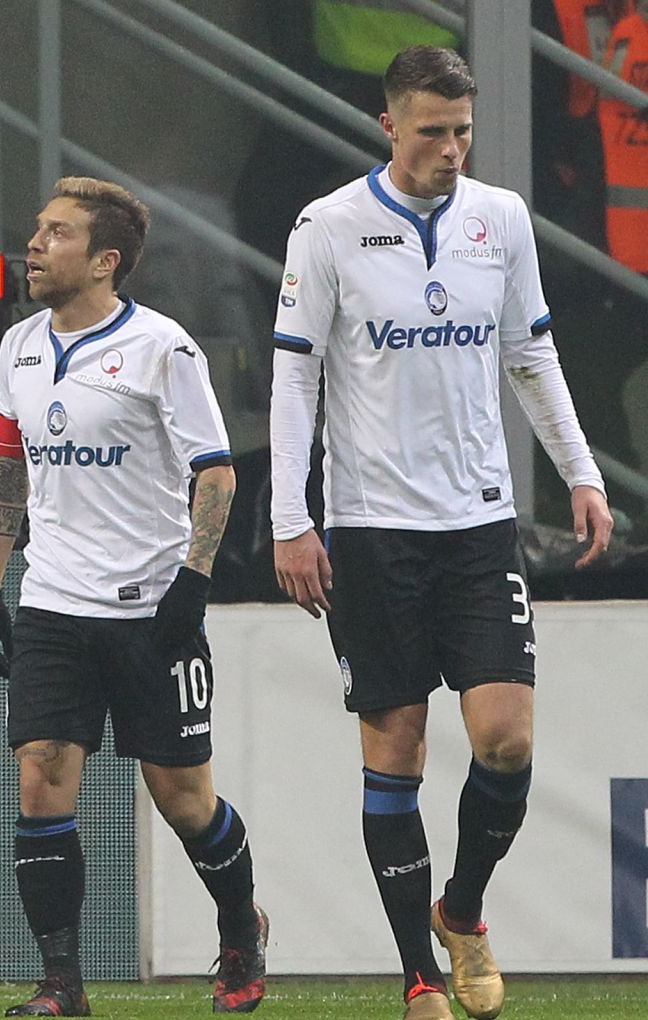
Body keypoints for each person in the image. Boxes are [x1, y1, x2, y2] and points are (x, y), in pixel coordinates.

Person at [270, 45, 613, 1020]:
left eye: (462, 131)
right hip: (372, 531)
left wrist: (581, 475)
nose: (451, 149)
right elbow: (295, 375)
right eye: (432, 131)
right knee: (399, 746)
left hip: (477, 526)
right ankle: (419, 978)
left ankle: (461, 910)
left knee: (504, 739)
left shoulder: (500, 220)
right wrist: (292, 516)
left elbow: (529, 354)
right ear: (389, 125)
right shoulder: (328, 227)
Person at [0, 178, 267, 1017]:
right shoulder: (20, 345)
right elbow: (6, 465)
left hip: (149, 611)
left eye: (56, 233)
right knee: (41, 778)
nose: (34, 243)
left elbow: (216, 469)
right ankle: (61, 985)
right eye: (37, 228)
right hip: (54, 605)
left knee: (183, 799)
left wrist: (193, 581)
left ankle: (240, 925)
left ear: (105, 261)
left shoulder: (162, 349)